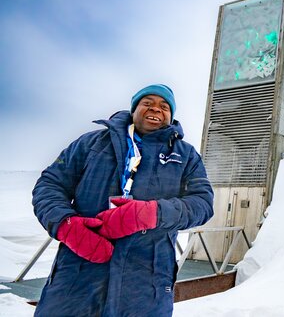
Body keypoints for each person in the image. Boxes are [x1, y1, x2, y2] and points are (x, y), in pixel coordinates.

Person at [32, 84, 214, 316]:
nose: (156, 109)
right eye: (147, 103)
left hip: (147, 285)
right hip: (76, 278)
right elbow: (50, 184)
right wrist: (65, 224)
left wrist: (152, 213)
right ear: (134, 109)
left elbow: (202, 203)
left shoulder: (185, 156)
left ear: (171, 116)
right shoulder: (91, 144)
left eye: (164, 106)